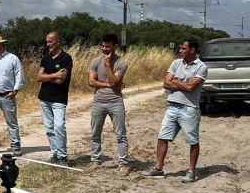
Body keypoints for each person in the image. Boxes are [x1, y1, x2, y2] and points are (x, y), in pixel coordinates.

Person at [143, 38, 208, 183]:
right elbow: (166, 83)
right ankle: (158, 168)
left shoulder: (201, 67)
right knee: (162, 137)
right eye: (180, 48)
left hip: (189, 108)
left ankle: (191, 171)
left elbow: (191, 88)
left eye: (183, 48)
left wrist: (176, 81)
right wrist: (183, 83)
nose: (180, 51)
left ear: (192, 50)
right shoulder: (176, 63)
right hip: (172, 106)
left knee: (192, 140)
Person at [88, 33, 129, 174]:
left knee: (120, 134)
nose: (104, 49)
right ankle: (95, 160)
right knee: (95, 132)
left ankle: (123, 163)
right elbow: (91, 82)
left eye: (108, 46)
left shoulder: (122, 63)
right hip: (98, 101)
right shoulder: (94, 61)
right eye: (103, 46)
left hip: (115, 102)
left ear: (115, 47)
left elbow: (114, 80)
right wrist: (112, 85)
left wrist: (107, 65)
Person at [37, 31, 72, 165]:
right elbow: (38, 77)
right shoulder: (46, 58)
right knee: (49, 128)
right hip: (44, 97)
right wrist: (54, 75)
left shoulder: (66, 58)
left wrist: (46, 77)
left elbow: (60, 80)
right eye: (47, 42)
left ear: (58, 41)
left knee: (59, 126)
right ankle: (55, 154)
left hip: (59, 98)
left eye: (50, 41)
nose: (48, 44)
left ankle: (63, 155)